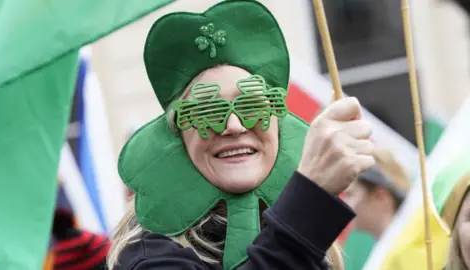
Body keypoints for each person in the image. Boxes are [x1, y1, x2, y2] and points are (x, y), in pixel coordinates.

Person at [107, 1, 375, 269]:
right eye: (209, 110)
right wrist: (309, 199)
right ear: (178, 136)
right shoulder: (150, 255)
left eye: (252, 105)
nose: (234, 126)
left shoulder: (297, 232)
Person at [343, 148, 411, 240]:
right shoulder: (396, 245)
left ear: (380, 196)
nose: (344, 202)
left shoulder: (408, 246)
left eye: (350, 195)